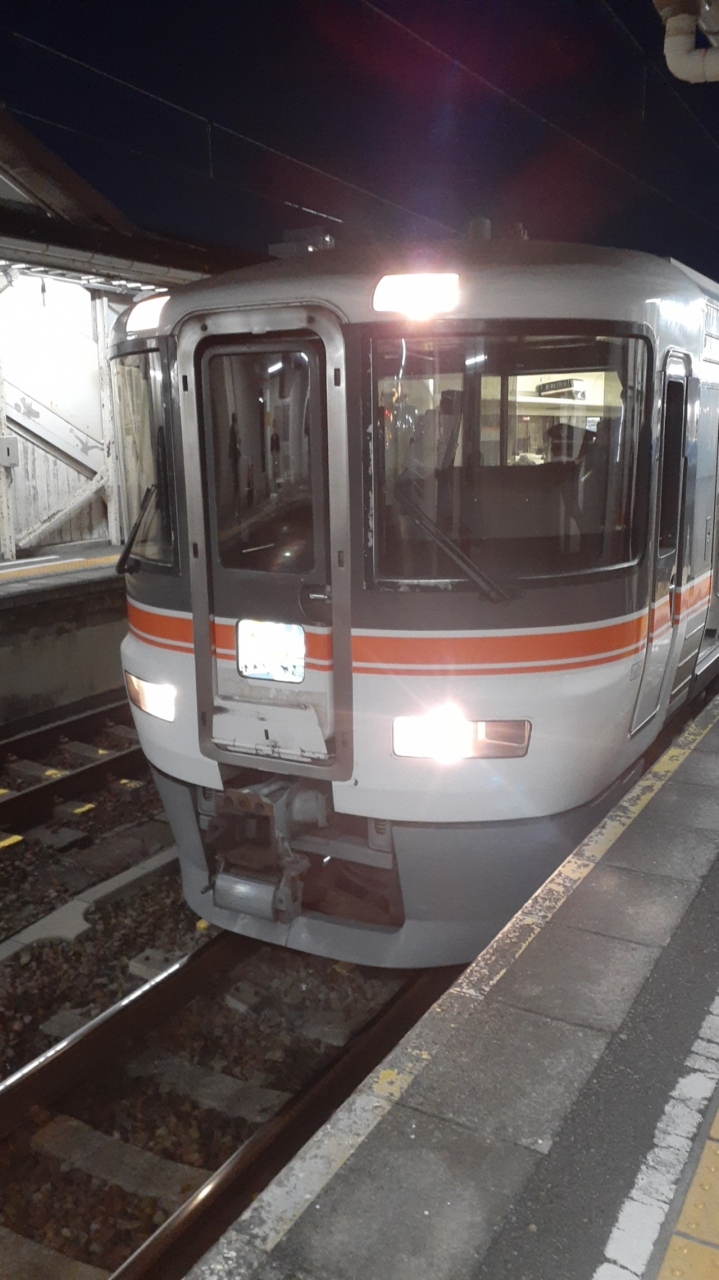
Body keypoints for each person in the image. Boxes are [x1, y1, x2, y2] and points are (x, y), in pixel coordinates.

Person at [228, 412, 241, 512]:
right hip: (234, 457)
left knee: (235, 478)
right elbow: (236, 442)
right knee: (236, 480)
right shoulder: (234, 428)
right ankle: (235, 504)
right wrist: (238, 445)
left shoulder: (231, 428)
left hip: (233, 456)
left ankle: (235, 502)